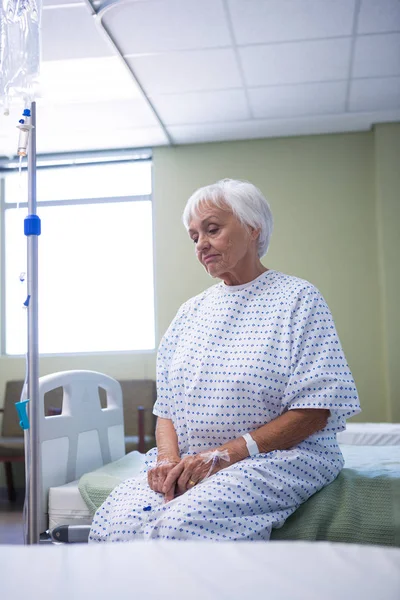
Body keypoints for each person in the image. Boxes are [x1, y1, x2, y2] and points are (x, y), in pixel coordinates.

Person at [89, 178, 360, 542]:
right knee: (116, 526)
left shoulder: (298, 300)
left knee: (180, 527)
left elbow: (315, 411)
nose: (201, 243)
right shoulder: (190, 312)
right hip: (189, 460)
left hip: (276, 457)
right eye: (194, 236)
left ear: (253, 228)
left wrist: (227, 454)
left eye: (212, 229)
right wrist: (166, 460)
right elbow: (166, 408)